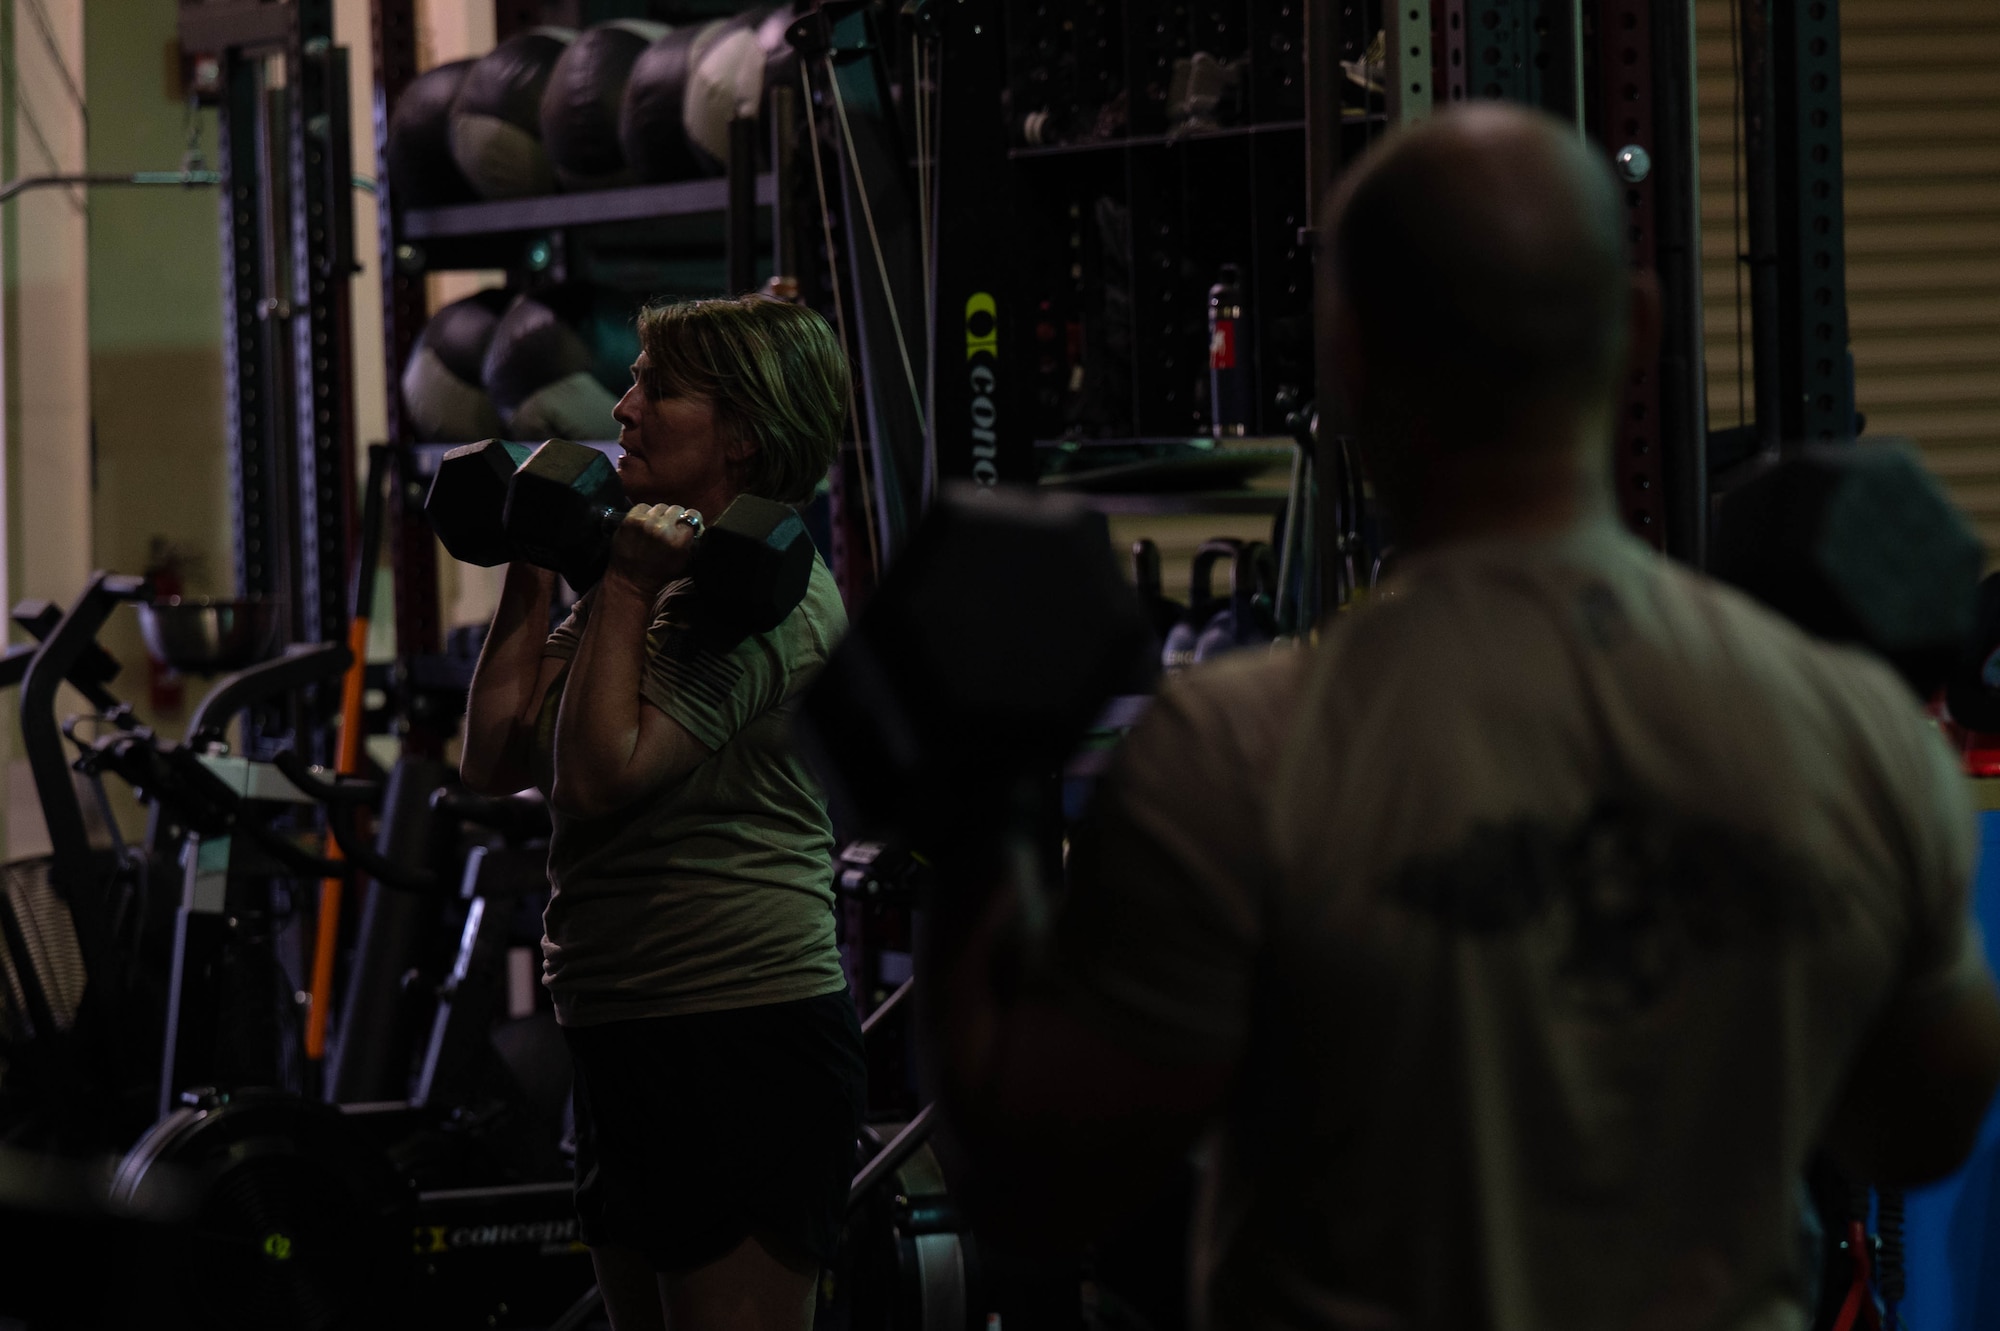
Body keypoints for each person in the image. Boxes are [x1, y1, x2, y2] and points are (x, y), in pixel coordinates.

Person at [921, 104, 2000, 1330]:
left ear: (1345, 361)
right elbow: (1921, 1123)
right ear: (1639, 329)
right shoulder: (1845, 728)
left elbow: (1039, 1179)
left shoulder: (1235, 755)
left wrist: (974, 817)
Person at [460, 295, 860, 1331]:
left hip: (734, 1036)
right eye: (633, 381)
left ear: (743, 434)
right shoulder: (652, 564)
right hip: (622, 1032)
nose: (623, 409)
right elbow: (494, 757)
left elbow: (597, 776)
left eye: (659, 388)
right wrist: (531, 560)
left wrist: (630, 589)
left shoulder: (760, 596)